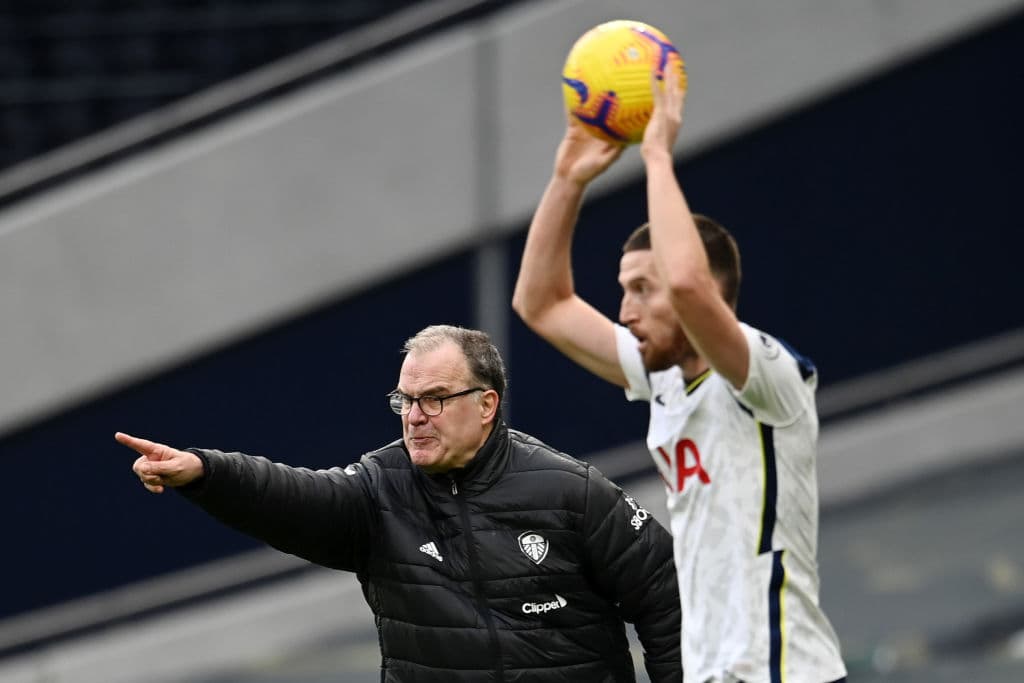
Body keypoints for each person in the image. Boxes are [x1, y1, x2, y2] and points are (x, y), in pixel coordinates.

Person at [512, 67, 847, 683]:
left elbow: (690, 286)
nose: (625, 310)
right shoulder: (662, 374)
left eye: (643, 288)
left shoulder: (768, 377)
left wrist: (657, 157)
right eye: (623, 290)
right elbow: (541, 305)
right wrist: (567, 180)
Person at [116, 324, 682, 683]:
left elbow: (668, 599)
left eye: (434, 399)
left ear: (486, 404)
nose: (414, 416)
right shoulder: (377, 487)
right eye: (405, 400)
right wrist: (205, 472)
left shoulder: (570, 490)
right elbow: (292, 497)